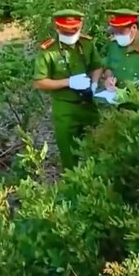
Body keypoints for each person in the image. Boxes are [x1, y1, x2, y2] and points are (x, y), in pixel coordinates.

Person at [32, 10, 102, 169]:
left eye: (74, 30)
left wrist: (95, 83)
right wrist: (68, 82)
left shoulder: (87, 44)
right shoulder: (48, 50)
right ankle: (73, 184)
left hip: (88, 103)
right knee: (69, 153)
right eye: (65, 31)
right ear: (56, 28)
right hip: (65, 107)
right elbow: (39, 82)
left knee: (98, 144)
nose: (70, 34)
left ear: (81, 26)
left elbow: (97, 66)